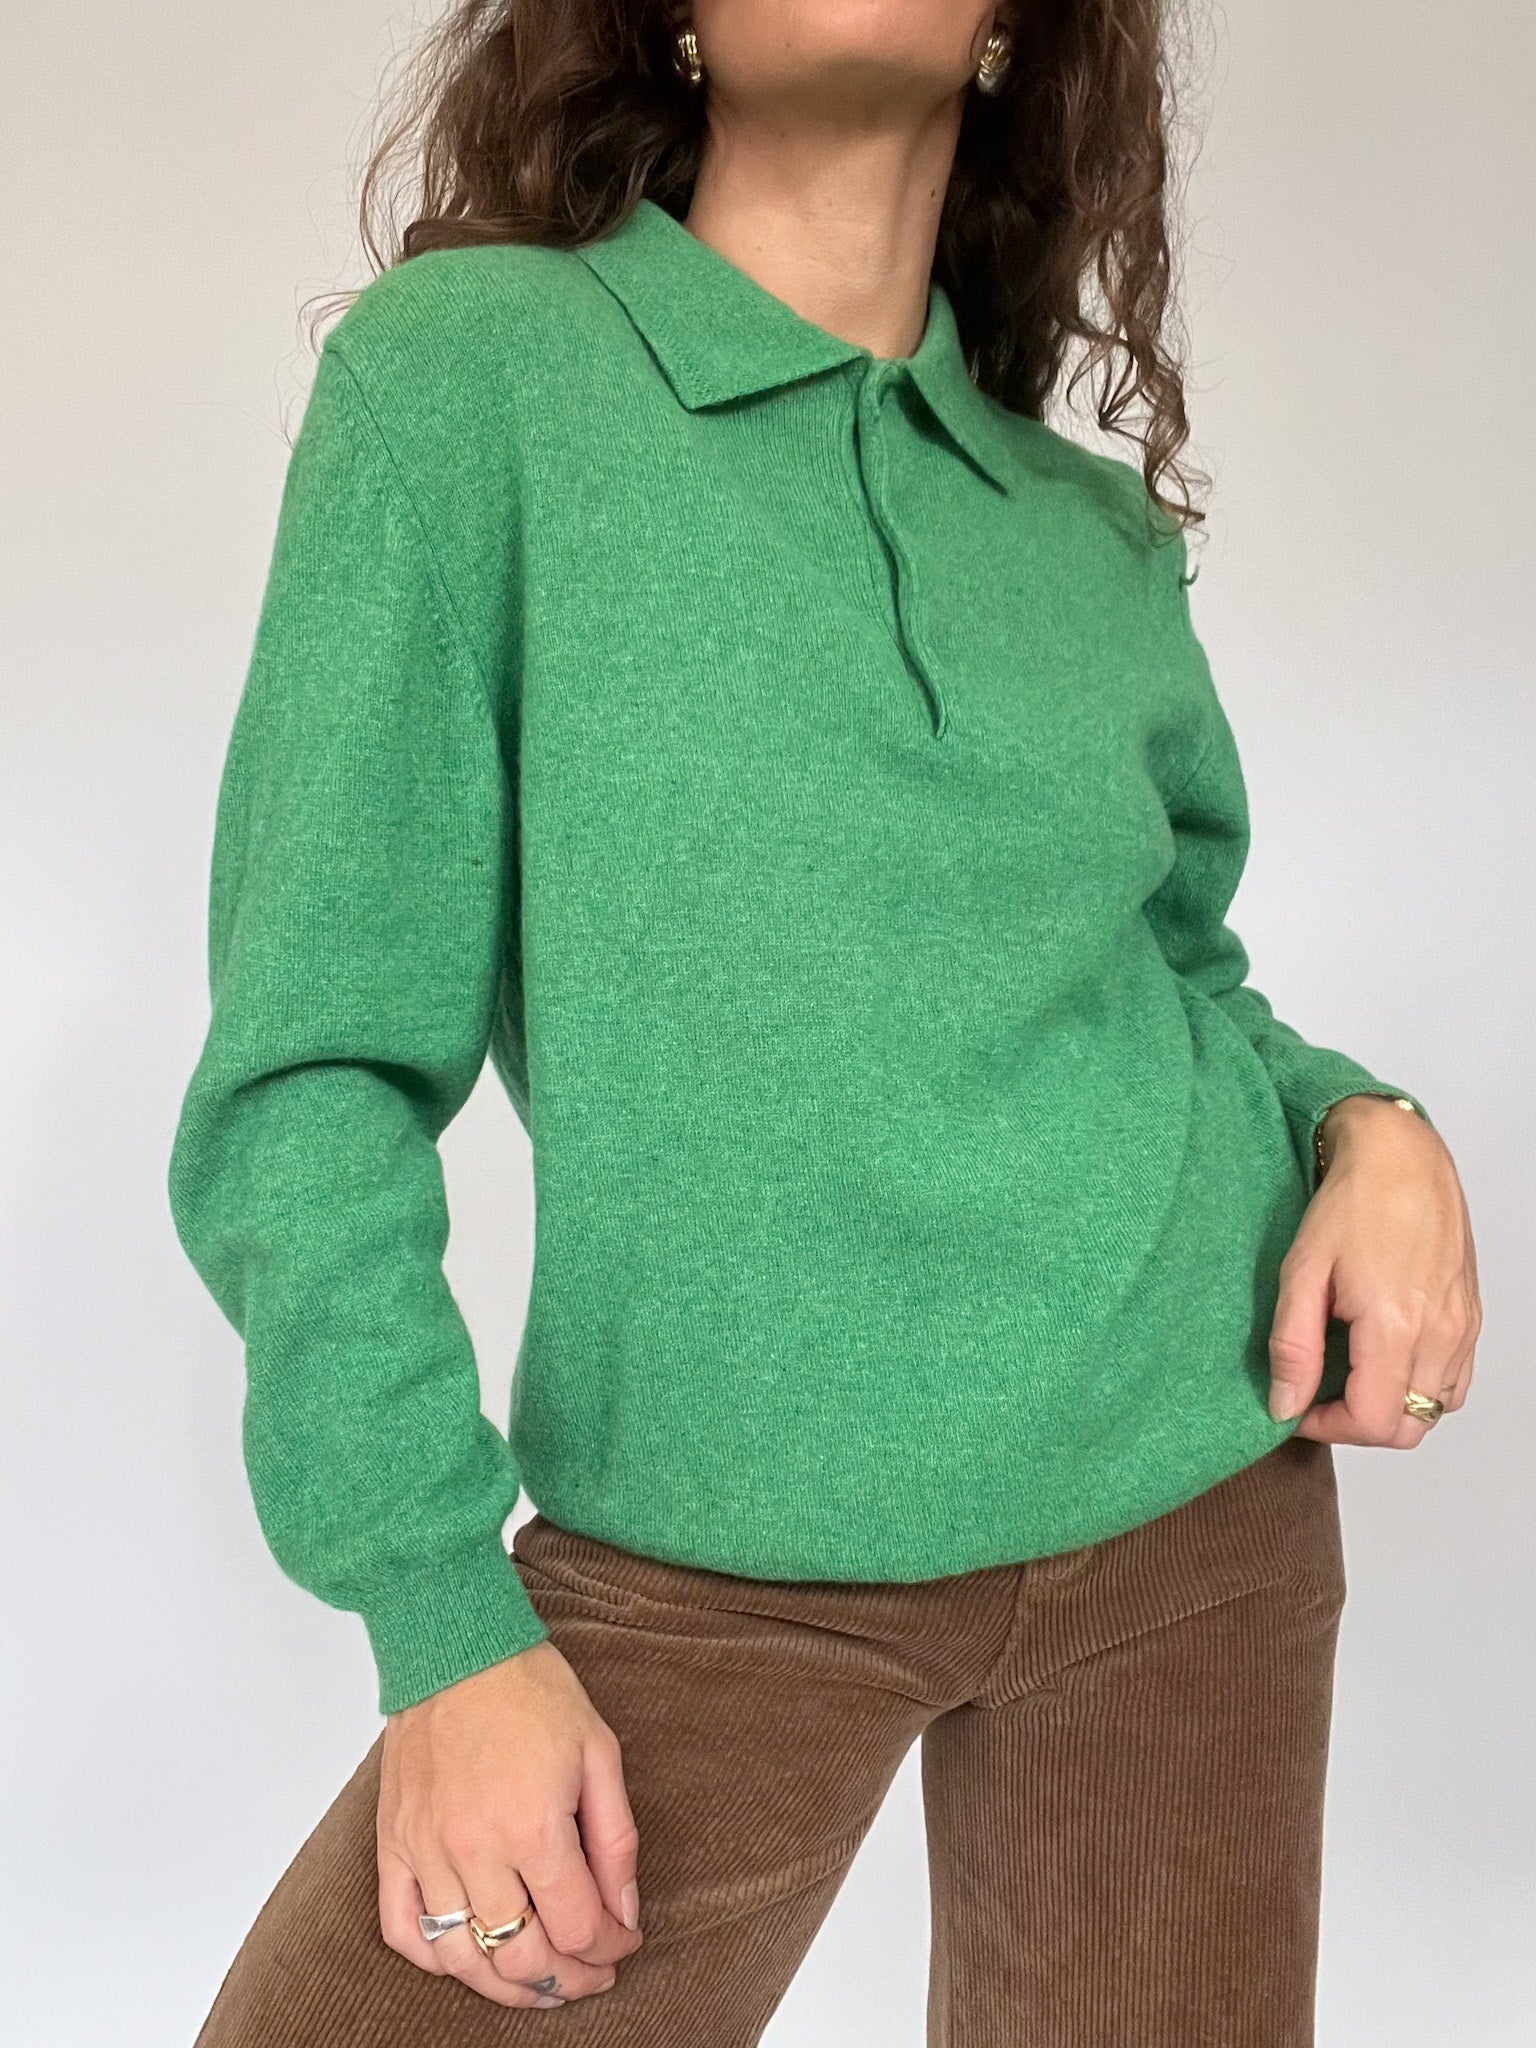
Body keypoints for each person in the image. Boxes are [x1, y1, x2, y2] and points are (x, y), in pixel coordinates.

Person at [166, 3, 1481, 2043]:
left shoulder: (1088, 536)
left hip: (1193, 1509)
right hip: (714, 1557)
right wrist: (443, 1628)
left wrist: (1364, 1122)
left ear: (1014, 29)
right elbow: (311, 1076)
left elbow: (1171, 968)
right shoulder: (470, 386)